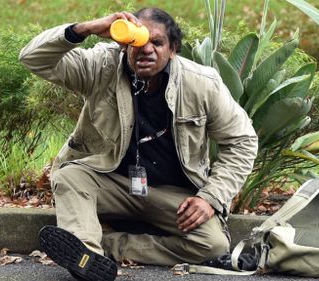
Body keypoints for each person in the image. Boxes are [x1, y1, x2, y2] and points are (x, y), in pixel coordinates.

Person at [19, 7, 258, 281]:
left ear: (173, 49)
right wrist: (86, 28)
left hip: (173, 194)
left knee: (213, 244)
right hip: (111, 182)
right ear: (124, 45)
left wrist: (211, 197)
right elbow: (32, 59)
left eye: (157, 42)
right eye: (138, 42)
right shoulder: (101, 67)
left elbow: (242, 141)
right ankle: (85, 255)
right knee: (71, 175)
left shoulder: (202, 84)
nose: (146, 50)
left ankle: (109, 247)